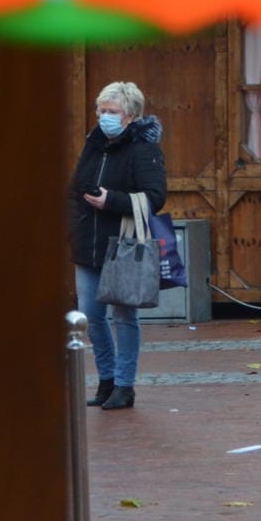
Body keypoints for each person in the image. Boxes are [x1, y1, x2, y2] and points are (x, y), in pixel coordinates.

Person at [66, 81, 167, 411]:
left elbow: (155, 198)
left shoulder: (144, 149)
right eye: (101, 110)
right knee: (91, 317)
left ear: (131, 116)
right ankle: (106, 379)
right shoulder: (93, 144)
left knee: (124, 316)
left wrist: (112, 200)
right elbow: (75, 187)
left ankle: (125, 385)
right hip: (87, 243)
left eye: (112, 112)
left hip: (122, 244)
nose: (104, 117)